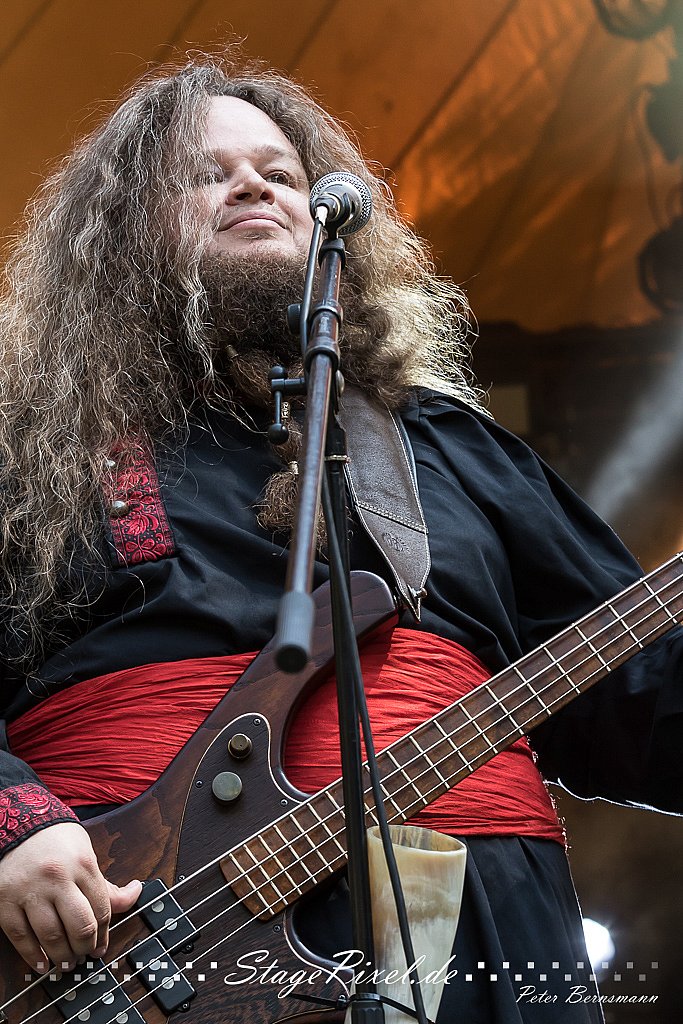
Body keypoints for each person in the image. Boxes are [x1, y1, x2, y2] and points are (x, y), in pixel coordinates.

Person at [0, 54, 681, 1024]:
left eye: (279, 171)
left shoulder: (446, 446)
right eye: (204, 174)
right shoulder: (29, 444)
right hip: (123, 945)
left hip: (481, 931)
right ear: (117, 236)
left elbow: (639, 704)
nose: (254, 185)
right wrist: (13, 825)